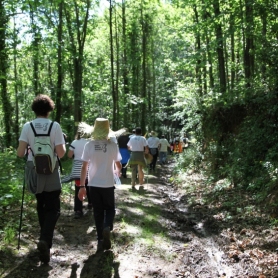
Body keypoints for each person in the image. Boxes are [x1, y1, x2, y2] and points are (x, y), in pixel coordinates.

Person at [17, 94, 66, 264]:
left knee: (41, 204)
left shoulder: (27, 126)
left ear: (35, 109)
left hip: (34, 169)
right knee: (54, 208)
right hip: (51, 170)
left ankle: (43, 239)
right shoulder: (55, 126)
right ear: (49, 110)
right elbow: (61, 153)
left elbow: (20, 153)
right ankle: (45, 240)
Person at [78, 118, 122, 252]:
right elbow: (118, 165)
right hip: (108, 183)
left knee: (97, 211)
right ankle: (107, 226)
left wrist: (82, 186)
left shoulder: (89, 145)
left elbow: (84, 167)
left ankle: (100, 238)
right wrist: (117, 170)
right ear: (108, 131)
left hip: (93, 184)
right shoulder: (113, 146)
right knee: (110, 209)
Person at [64, 123, 92, 219]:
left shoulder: (74, 142)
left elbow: (69, 155)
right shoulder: (90, 142)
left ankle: (78, 210)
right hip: (89, 168)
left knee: (78, 188)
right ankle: (91, 204)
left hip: (77, 170)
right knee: (89, 186)